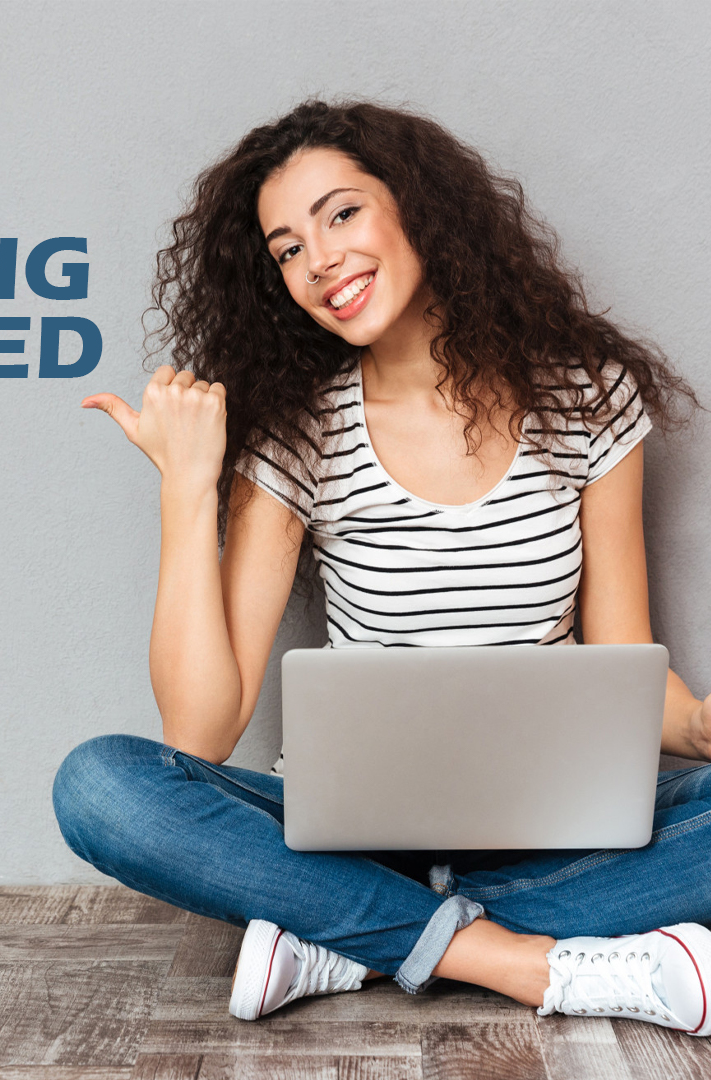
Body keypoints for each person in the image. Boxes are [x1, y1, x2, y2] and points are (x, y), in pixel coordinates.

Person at [52, 99, 711, 1033]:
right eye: (285, 249)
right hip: (360, 841)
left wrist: (702, 722)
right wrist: (188, 488)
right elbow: (195, 734)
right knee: (97, 785)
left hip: (555, 835)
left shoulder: (586, 395)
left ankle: (348, 937)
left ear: (420, 209)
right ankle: (515, 959)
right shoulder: (300, 430)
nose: (318, 261)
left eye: (342, 214)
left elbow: (633, 667)